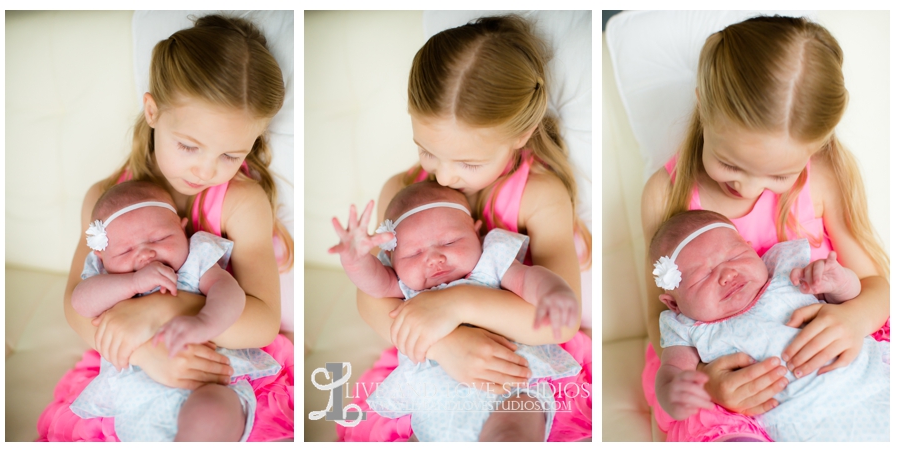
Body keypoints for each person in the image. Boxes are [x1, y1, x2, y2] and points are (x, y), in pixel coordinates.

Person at [38, 15, 294, 442]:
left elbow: (263, 321)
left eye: (230, 155)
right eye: (190, 146)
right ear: (153, 110)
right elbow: (74, 304)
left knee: (210, 420)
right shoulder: (105, 200)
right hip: (131, 360)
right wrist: (143, 354)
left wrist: (159, 310)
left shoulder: (240, 202)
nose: (207, 170)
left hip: (220, 363)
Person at [338, 15, 592, 442]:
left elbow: (559, 323)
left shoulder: (538, 195)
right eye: (427, 150)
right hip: (428, 359)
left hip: (519, 359)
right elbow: (374, 300)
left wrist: (457, 305)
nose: (445, 176)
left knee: (513, 429)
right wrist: (443, 346)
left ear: (522, 133)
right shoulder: (401, 192)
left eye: (469, 163)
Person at [640, 16, 890, 441]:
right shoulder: (666, 194)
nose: (748, 187)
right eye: (731, 164)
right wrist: (707, 382)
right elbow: (659, 315)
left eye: (779, 176)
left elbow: (874, 284)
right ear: (703, 105)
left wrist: (852, 319)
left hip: (827, 349)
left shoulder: (823, 174)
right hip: (727, 371)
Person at [330, 181, 581, 441]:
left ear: (476, 233)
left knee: (511, 432)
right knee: (422, 436)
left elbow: (528, 279)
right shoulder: (404, 284)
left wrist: (553, 291)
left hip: (510, 383)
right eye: (414, 253)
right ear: (391, 261)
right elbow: (373, 284)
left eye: (450, 242)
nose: (434, 258)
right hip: (433, 394)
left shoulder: (490, 261)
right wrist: (355, 259)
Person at [68, 181, 281, 441]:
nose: (146, 253)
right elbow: (79, 302)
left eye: (160, 238)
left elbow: (230, 293)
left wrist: (204, 321)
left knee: (211, 414)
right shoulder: (104, 277)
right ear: (101, 257)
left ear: (182, 230)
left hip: (209, 382)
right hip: (139, 398)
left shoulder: (195, 259)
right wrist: (132, 283)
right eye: (125, 250)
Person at [650, 210, 888, 441]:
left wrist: (838, 282)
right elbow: (672, 370)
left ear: (751, 249)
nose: (727, 274)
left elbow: (849, 300)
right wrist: (673, 395)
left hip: (868, 376)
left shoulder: (786, 273)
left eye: (734, 257)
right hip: (803, 421)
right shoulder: (689, 327)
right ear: (674, 304)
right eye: (702, 276)